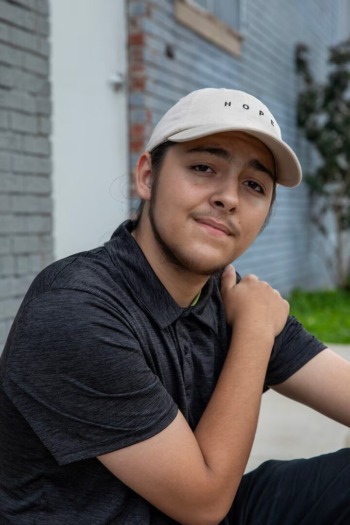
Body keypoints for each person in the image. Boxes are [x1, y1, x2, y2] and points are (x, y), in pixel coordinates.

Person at [0, 88, 350, 525]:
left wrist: (253, 323)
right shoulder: (73, 311)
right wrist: (256, 334)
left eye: (254, 185)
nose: (229, 198)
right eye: (204, 167)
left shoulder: (229, 298)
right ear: (148, 176)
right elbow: (202, 504)